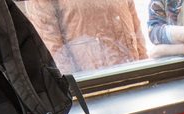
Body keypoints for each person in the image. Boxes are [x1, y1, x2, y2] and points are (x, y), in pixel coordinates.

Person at [20, 0, 148, 74]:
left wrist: (145, 69)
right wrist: (74, 89)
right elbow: (52, 48)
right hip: (91, 85)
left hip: (132, 74)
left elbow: (135, 28)